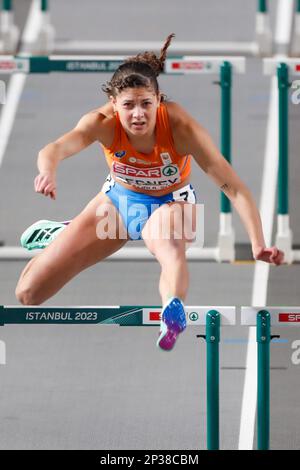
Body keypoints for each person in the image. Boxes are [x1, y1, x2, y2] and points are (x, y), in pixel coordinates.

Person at [15, 33, 284, 351]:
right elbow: (54, 148)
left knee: (169, 250)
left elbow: (234, 188)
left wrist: (257, 243)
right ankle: (65, 233)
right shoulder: (100, 123)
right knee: (29, 294)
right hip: (118, 203)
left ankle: (172, 311)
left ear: (159, 100)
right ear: (114, 105)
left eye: (146, 104)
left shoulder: (181, 128)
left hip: (172, 204)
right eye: (128, 106)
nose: (138, 114)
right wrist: (48, 171)